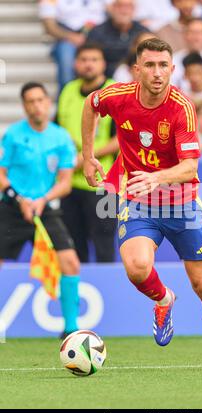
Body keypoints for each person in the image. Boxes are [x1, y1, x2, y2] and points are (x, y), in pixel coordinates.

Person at [81, 37, 202, 370]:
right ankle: (163, 299)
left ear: (173, 69)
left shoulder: (181, 107)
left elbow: (191, 167)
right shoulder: (119, 96)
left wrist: (156, 178)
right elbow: (91, 104)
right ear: (137, 70)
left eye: (163, 66)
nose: (157, 73)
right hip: (138, 198)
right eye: (150, 65)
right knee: (136, 267)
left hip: (180, 200)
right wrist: (88, 156)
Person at [0, 82, 80, 338]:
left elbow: (65, 183)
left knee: (70, 262)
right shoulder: (12, 135)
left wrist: (43, 199)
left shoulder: (61, 137)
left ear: (48, 103)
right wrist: (19, 199)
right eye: (30, 101)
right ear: (24, 106)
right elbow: (1, 174)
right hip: (13, 207)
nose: (36, 105)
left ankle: (70, 328)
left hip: (44, 208)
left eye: (40, 100)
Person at [57, 42, 119, 262]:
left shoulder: (115, 92)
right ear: (76, 64)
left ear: (103, 64)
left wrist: (87, 158)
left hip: (106, 184)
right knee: (74, 245)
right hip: (71, 184)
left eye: (94, 60)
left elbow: (121, 138)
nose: (88, 65)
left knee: (104, 243)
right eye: (84, 60)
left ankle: (107, 293)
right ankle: (78, 291)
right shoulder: (68, 91)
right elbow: (59, 130)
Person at [39, 0, 107, 93]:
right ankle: (66, 94)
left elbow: (116, 7)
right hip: (67, 37)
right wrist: (71, 36)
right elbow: (49, 26)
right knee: (66, 61)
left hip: (100, 34)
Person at [87, 0, 149, 78]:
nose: (124, 11)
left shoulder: (142, 32)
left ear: (134, 9)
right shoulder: (97, 32)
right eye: (119, 6)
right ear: (112, 8)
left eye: (128, 7)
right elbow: (90, 59)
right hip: (105, 80)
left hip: (135, 77)